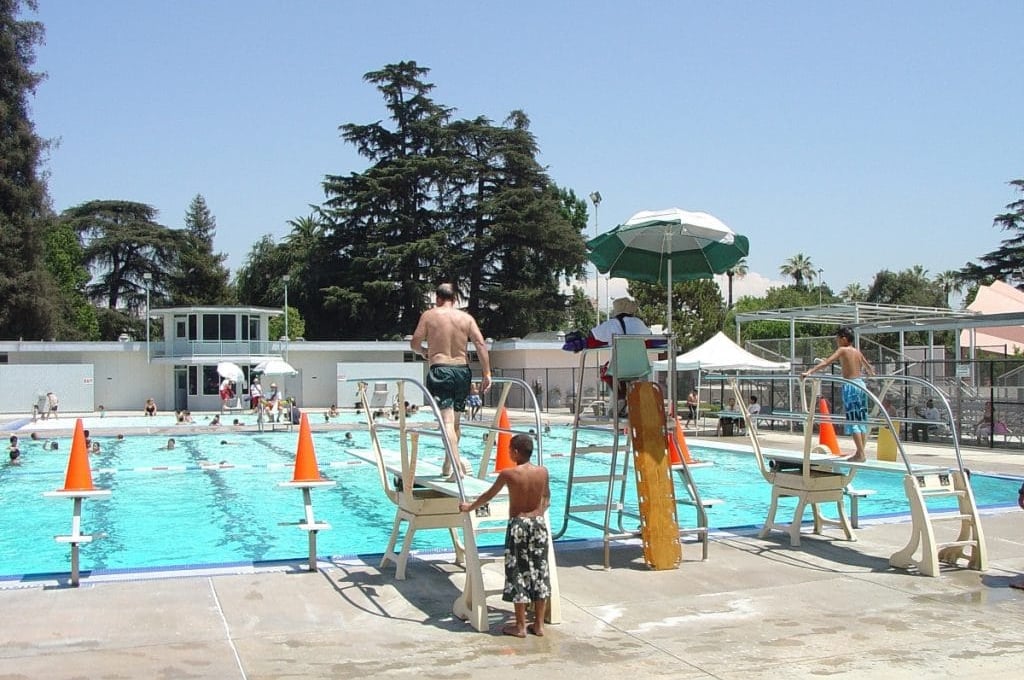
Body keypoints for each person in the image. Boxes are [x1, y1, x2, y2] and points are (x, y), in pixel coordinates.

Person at [458, 434, 551, 638]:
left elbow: (488, 496)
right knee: (540, 572)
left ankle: (519, 626)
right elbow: (547, 498)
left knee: (517, 571)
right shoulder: (542, 472)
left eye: (509, 449)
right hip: (538, 525)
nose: (508, 452)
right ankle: (539, 626)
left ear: (516, 452)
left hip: (518, 524)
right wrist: (539, 514)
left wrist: (469, 507)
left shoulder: (509, 474)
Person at [410, 283, 492, 480]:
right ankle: (448, 465)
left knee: (446, 423)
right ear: (454, 299)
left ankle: (456, 469)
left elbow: (414, 343)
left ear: (438, 298)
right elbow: (480, 344)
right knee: (455, 424)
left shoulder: (430, 315)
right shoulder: (466, 318)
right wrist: (487, 372)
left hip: (441, 371)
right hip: (462, 372)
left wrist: (423, 352)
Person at [801, 325, 876, 462]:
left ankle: (860, 454)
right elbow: (868, 367)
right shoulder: (856, 351)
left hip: (851, 386)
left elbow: (827, 362)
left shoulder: (842, 350)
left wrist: (810, 372)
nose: (836, 341)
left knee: (853, 420)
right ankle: (861, 452)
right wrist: (872, 373)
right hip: (861, 385)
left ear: (844, 339)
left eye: (837, 338)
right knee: (861, 419)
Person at [589, 297, 652, 416]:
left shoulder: (611, 324)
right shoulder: (639, 323)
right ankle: (634, 404)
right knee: (629, 375)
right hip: (640, 368)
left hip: (619, 368)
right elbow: (650, 339)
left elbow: (593, 337)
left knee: (606, 371)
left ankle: (620, 396)